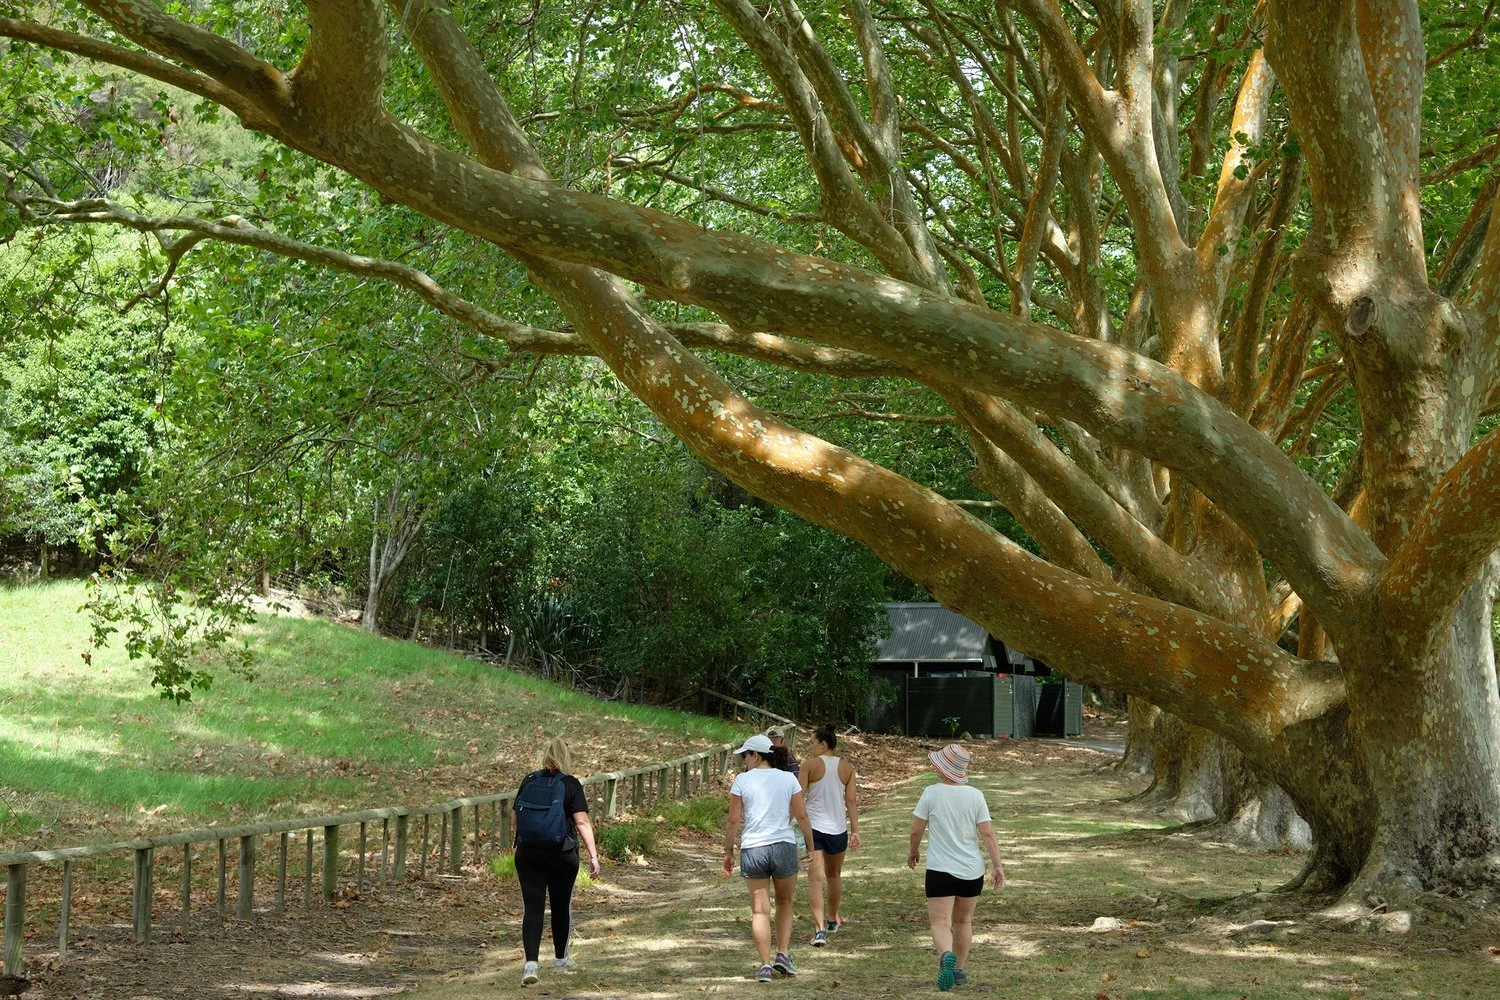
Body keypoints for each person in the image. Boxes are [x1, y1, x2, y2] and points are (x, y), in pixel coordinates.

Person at [906, 744, 1005, 992]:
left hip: (940, 870)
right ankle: (958, 969)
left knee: (940, 922)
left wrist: (913, 851)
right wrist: (997, 865)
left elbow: (916, 829)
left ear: (943, 769)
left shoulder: (931, 793)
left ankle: (946, 956)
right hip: (972, 871)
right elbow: (988, 834)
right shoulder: (976, 795)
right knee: (964, 921)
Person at [724, 732, 815, 984]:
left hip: (754, 849)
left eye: (745, 756)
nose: (744, 761)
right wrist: (810, 846)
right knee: (785, 902)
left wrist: (727, 851)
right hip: (783, 846)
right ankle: (783, 954)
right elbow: (802, 815)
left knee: (759, 911)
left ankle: (765, 965)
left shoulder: (742, 780)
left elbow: (733, 820)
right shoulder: (788, 778)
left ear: (756, 755)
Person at [512, 736, 602, 987]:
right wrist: (593, 856)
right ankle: (561, 960)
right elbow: (581, 822)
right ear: (566, 757)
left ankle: (531, 964)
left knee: (532, 908)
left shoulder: (529, 780)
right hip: (562, 854)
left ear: (545, 756)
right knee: (561, 905)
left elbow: (516, 819)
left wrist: (522, 842)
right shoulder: (570, 783)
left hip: (528, 853)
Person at [800, 723, 860, 947]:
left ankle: (819, 931)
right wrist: (855, 831)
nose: (810, 747)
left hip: (814, 827)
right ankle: (832, 918)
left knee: (815, 879)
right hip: (838, 829)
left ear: (823, 744)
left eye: (812, 743)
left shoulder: (809, 765)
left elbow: (798, 797)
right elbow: (851, 801)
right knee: (834, 875)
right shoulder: (847, 768)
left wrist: (790, 822)